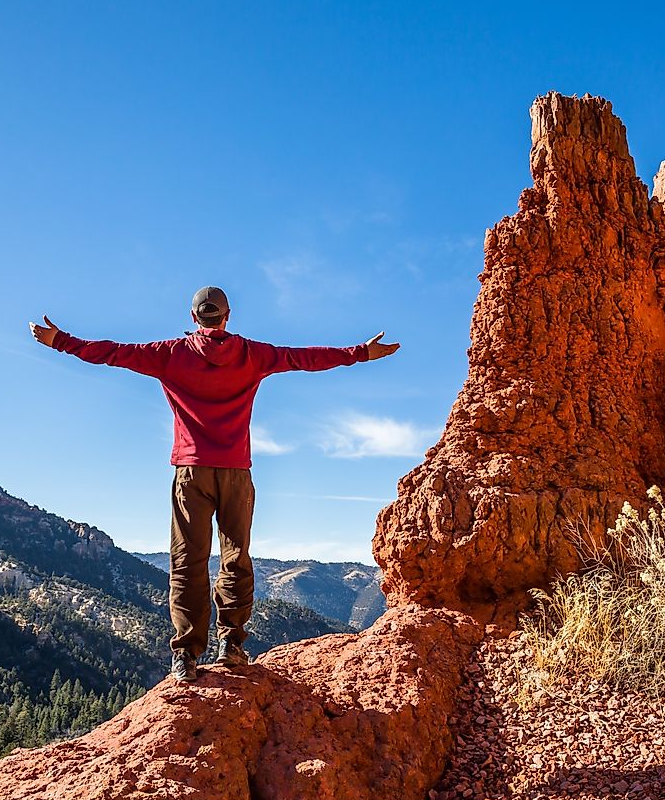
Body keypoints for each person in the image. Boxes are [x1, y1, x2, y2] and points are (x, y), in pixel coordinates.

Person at [30, 286, 399, 682]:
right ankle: (232, 645)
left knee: (188, 560)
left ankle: (186, 655)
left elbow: (112, 353)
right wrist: (359, 352)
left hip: (192, 472)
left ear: (193, 317)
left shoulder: (169, 354)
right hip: (237, 472)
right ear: (228, 316)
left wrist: (60, 342)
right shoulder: (253, 355)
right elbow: (304, 359)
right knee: (235, 556)